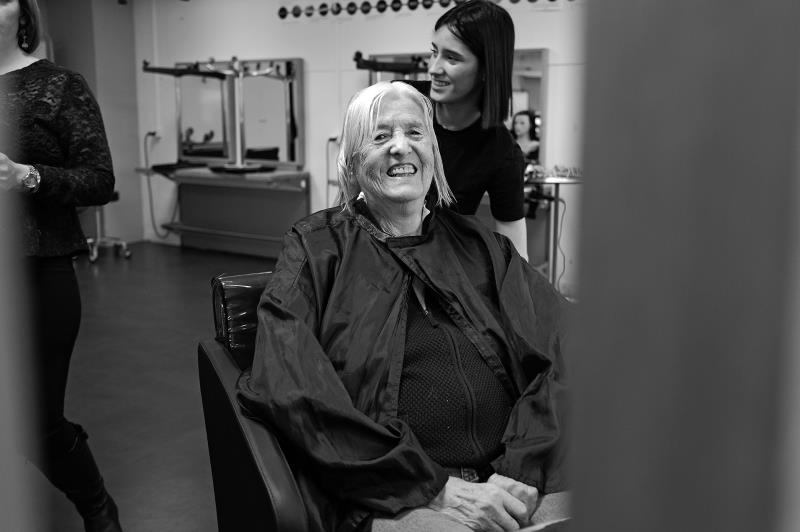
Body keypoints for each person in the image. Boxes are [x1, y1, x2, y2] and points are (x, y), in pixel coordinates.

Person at [237, 81, 569, 532]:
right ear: (353, 161)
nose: (400, 147)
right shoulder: (316, 248)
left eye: (415, 133)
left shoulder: (482, 247)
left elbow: (566, 347)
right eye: (380, 136)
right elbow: (288, 380)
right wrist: (434, 488)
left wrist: (524, 467)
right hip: (392, 493)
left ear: (433, 152)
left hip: (516, 478)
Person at [0, 1, 123, 530]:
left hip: (37, 274)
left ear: (24, 13)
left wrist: (27, 177)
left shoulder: (58, 86)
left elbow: (99, 180)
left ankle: (98, 508)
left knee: (34, 420)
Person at [403, 0, 529, 261]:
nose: (433, 68)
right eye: (434, 52)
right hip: (375, 258)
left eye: (452, 58)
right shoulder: (403, 101)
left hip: (440, 267)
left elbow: (516, 254)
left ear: (486, 69)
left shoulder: (500, 151)